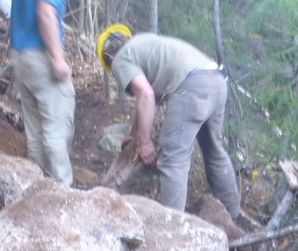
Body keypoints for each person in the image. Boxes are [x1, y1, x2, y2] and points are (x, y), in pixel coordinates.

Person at [95, 24, 241, 218]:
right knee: (214, 151)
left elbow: (145, 95)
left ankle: (171, 228)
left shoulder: (120, 60)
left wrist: (145, 142)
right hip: (216, 80)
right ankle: (232, 215)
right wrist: (133, 134)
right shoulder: (142, 43)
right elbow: (146, 98)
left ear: (109, 57)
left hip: (191, 86)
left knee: (173, 161)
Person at [10, 0, 99, 187]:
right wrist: (58, 59)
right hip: (41, 58)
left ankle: (36, 185)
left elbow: (18, 14)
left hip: (21, 57)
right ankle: (61, 192)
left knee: (35, 131)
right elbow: (45, 13)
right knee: (57, 129)